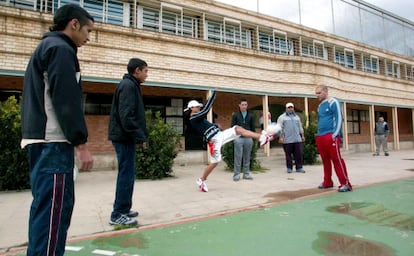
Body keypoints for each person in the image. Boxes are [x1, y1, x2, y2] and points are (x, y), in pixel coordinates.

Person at [20, 4, 94, 255]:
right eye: (87, 30)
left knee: (46, 211)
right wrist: (81, 144)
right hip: (53, 143)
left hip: (43, 142)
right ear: (74, 24)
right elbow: (66, 100)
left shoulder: (47, 48)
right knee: (53, 214)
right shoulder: (60, 49)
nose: (88, 37)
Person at [185, 90, 273, 192]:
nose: (199, 108)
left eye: (199, 106)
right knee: (215, 162)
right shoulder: (193, 117)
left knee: (238, 129)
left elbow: (205, 126)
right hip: (214, 141)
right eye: (197, 107)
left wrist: (215, 125)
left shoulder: (197, 117)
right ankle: (202, 179)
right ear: (191, 108)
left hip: (219, 135)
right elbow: (206, 110)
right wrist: (214, 93)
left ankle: (262, 137)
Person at [108, 58, 149, 226]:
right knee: (125, 176)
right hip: (124, 138)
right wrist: (140, 137)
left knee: (128, 175)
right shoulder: (128, 86)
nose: (147, 74)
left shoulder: (131, 85)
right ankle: (117, 214)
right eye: (145, 71)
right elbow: (127, 116)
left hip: (126, 138)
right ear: (137, 70)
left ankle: (124, 209)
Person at [315, 85, 352, 192]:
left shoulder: (333, 102)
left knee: (336, 160)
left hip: (331, 135)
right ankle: (327, 182)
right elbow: (320, 120)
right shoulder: (320, 106)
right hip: (321, 136)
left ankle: (345, 183)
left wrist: (335, 134)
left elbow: (340, 118)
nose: (317, 95)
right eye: (316, 93)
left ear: (325, 92)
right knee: (325, 160)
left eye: (319, 93)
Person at [276, 102, 306, 173]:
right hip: (287, 140)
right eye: (289, 107)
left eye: (291, 107)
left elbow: (300, 127)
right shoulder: (282, 117)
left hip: (297, 139)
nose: (290, 109)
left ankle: (299, 167)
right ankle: (289, 168)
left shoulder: (297, 117)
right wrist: (280, 137)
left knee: (299, 154)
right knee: (288, 155)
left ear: (293, 108)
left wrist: (302, 136)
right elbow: (279, 128)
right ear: (286, 108)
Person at [231, 98, 255, 181]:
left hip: (248, 139)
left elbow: (253, 128)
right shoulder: (235, 115)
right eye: (243, 105)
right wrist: (234, 138)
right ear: (239, 105)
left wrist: (253, 138)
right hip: (238, 138)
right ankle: (236, 175)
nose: (244, 106)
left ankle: (246, 174)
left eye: (245, 105)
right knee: (238, 157)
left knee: (247, 157)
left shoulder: (251, 115)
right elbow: (232, 127)